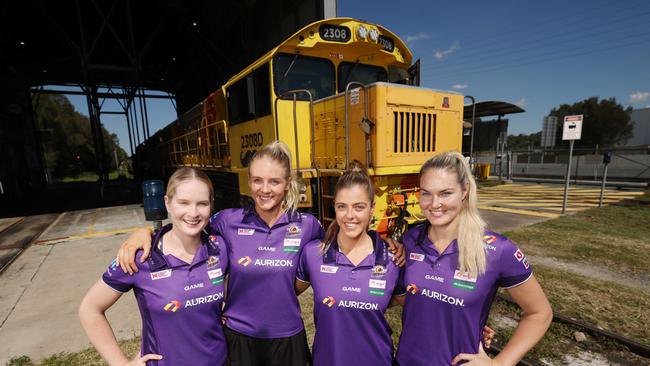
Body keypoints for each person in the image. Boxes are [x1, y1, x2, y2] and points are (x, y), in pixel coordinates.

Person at [116, 141, 323, 365]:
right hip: (238, 337)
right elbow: (187, 226)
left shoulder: (308, 225)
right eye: (257, 181)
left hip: (287, 338)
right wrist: (146, 232)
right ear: (248, 181)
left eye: (274, 181)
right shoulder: (227, 220)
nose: (265, 189)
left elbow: (325, 259)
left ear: (287, 183)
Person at [395, 152, 553, 365]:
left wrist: (500, 363)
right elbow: (411, 297)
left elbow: (539, 312)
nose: (434, 203)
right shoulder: (411, 239)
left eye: (445, 193)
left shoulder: (498, 249)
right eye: (426, 193)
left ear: (464, 191)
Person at [79, 167, 229, 366]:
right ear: (167, 203)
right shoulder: (140, 256)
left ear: (211, 205)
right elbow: (89, 309)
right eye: (183, 203)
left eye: (201, 204)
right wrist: (120, 363)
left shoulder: (220, 248)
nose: (193, 213)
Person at [295, 161, 404, 365]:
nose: (350, 215)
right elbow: (280, 295)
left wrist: (477, 337)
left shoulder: (392, 260)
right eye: (342, 206)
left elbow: (426, 310)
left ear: (372, 208)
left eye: (359, 207)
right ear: (334, 207)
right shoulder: (314, 254)